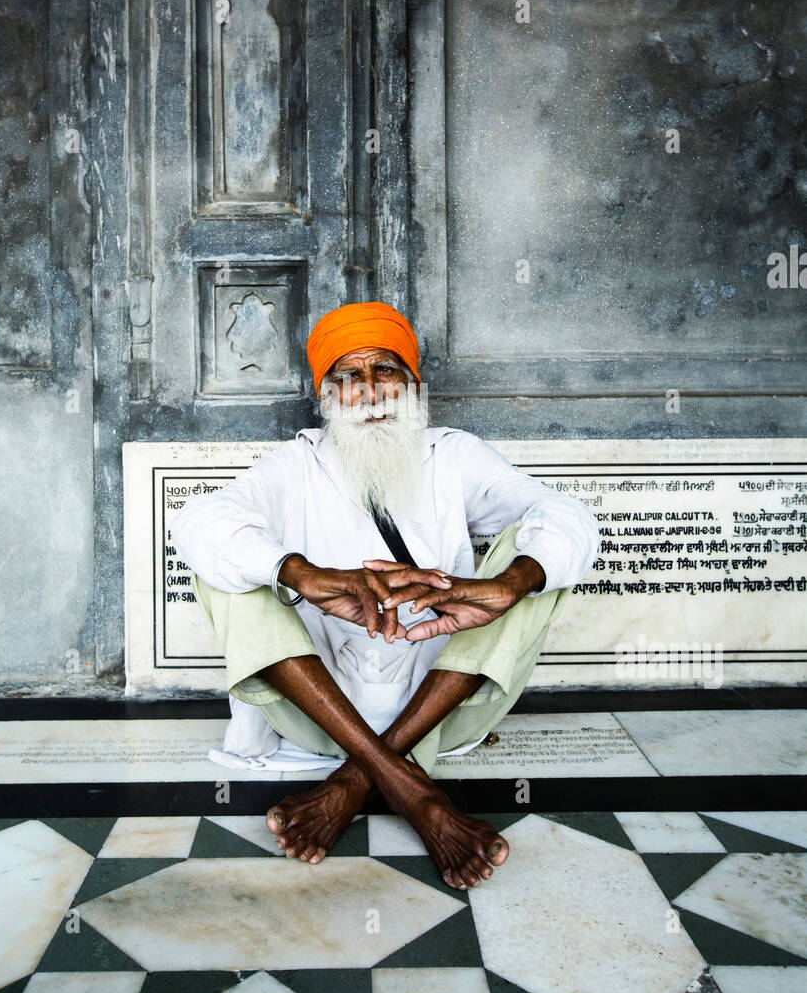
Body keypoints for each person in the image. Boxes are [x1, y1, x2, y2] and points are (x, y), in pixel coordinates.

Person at [172, 300, 599, 890]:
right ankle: (415, 792)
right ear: (324, 395)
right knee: (228, 561)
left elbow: (565, 514)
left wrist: (507, 584)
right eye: (347, 377)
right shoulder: (295, 465)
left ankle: (353, 781)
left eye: (385, 371)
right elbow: (196, 522)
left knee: (539, 562)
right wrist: (299, 572)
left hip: (441, 713)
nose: (369, 392)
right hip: (316, 715)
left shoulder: (451, 454)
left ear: (414, 385)